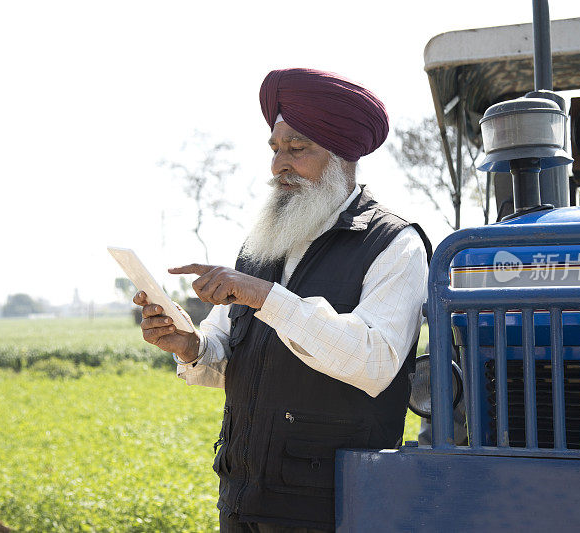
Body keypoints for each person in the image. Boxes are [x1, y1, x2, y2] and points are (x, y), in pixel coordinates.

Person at [134, 68, 430, 532]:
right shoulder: (263, 243)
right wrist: (189, 346)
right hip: (243, 497)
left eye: (297, 149)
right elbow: (231, 354)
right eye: (275, 149)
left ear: (342, 157)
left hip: (335, 506)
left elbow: (374, 363)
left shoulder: (395, 244)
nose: (278, 166)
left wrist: (267, 296)